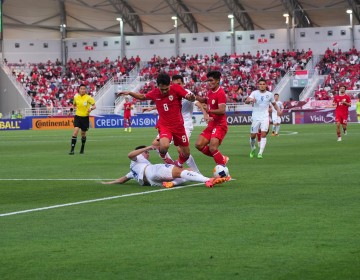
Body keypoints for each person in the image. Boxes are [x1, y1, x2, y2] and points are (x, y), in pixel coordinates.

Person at [118, 73, 195, 168]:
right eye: (161, 89)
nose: (164, 91)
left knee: (186, 153)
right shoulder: (155, 93)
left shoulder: (176, 88)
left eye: (166, 89)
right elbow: (142, 97)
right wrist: (130, 93)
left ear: (169, 84)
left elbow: (188, 96)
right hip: (164, 125)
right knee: (164, 146)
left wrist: (192, 98)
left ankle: (178, 163)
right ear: (158, 86)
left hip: (179, 126)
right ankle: (163, 155)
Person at [143, 74, 200, 173]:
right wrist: (152, 108)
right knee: (156, 144)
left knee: (181, 150)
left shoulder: (187, 93)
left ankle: (195, 172)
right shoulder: (170, 91)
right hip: (169, 123)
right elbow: (165, 104)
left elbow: (197, 102)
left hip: (184, 124)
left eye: (179, 83)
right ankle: (171, 164)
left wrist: (205, 113)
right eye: (175, 83)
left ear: (183, 83)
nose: (177, 85)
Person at [102, 145, 230, 188]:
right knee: (182, 173)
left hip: (152, 181)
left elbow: (123, 179)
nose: (147, 154)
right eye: (146, 153)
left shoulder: (134, 169)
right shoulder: (137, 159)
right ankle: (208, 180)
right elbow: (130, 154)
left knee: (184, 175)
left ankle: (173, 183)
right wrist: (146, 148)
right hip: (152, 171)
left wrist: (108, 183)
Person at [195, 70, 229, 166]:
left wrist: (208, 111)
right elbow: (206, 100)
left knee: (212, 148)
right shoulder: (210, 92)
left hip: (220, 125)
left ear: (218, 80)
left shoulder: (220, 93)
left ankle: (223, 171)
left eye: (211, 80)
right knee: (198, 144)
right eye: (208, 81)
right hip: (211, 124)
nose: (209, 83)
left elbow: (222, 110)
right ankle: (221, 158)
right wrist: (195, 97)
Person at [245, 78, 281, 159]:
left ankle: (260, 153)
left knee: (263, 134)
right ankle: (253, 148)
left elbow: (274, 104)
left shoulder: (270, 94)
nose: (262, 86)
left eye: (263, 84)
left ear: (266, 85)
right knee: (253, 135)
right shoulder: (254, 93)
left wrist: (278, 110)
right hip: (255, 116)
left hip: (265, 116)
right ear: (258, 85)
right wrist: (250, 100)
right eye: (260, 84)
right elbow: (246, 101)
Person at [69, 84, 96, 155]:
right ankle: (72, 150)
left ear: (85, 90)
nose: (83, 90)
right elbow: (74, 105)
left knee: (83, 134)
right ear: (79, 89)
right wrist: (71, 110)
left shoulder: (88, 97)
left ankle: (82, 147)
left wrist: (91, 109)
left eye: (84, 89)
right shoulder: (76, 97)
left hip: (85, 117)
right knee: (75, 131)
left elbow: (94, 106)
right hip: (77, 116)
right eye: (81, 89)